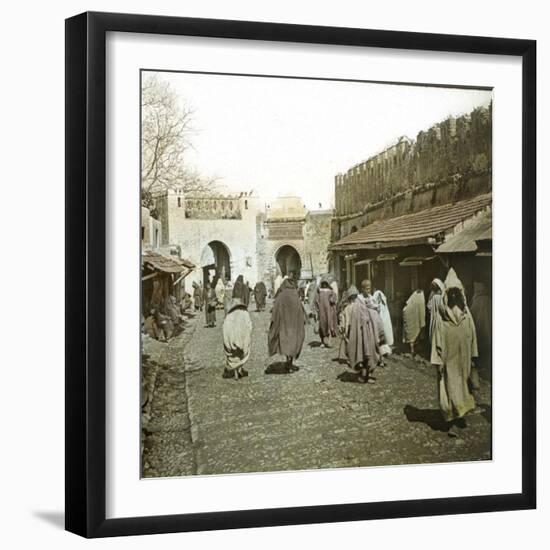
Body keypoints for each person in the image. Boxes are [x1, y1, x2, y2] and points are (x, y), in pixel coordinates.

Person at [431, 268, 479, 437]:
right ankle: (450, 421)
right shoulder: (441, 317)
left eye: (456, 293)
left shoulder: (467, 316)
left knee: (463, 389)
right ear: (446, 295)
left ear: (461, 294)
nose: (453, 296)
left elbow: (472, 337)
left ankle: (459, 415)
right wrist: (438, 362)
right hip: (448, 362)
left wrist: (473, 358)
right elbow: (436, 341)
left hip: (463, 361)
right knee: (449, 389)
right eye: (450, 293)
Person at [268, 277, 306, 373]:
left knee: (286, 343)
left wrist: (274, 322)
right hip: (294, 325)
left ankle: (287, 360)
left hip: (284, 326)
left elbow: (275, 311)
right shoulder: (295, 295)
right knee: (293, 343)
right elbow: (300, 311)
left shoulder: (281, 296)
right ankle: (290, 361)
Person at [346, 286, 380, 383]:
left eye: (370, 288)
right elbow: (355, 318)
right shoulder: (358, 302)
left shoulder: (372, 300)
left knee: (372, 352)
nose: (368, 290)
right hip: (361, 332)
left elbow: (376, 313)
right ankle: (362, 374)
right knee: (362, 353)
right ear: (363, 289)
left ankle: (369, 375)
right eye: (367, 288)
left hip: (371, 331)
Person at [222, 298, 252, 380]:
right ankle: (240, 369)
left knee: (234, 355)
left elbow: (225, 328)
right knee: (241, 354)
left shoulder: (229, 315)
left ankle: (236, 372)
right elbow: (249, 325)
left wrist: (227, 340)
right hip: (242, 337)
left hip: (231, 338)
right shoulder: (244, 313)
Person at [469, 281, 492, 372]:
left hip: (479, 328)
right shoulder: (489, 300)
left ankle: (480, 365)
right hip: (488, 328)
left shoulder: (477, 301)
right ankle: (486, 365)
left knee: (479, 346)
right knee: (487, 345)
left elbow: (472, 314)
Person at [313, 278, 338, 348]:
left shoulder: (331, 291)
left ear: (327, 284)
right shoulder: (319, 291)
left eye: (325, 283)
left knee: (329, 325)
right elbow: (316, 300)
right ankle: (322, 341)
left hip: (328, 311)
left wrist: (332, 299)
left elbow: (334, 299)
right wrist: (316, 309)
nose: (324, 285)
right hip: (321, 312)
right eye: (323, 283)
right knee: (322, 326)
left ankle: (329, 341)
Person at [402, 288, 426, 355]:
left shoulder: (413, 300)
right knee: (414, 334)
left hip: (414, 319)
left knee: (414, 334)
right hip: (413, 319)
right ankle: (413, 349)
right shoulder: (419, 298)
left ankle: (414, 348)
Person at [372, 288, 394, 354]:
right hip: (379, 321)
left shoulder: (383, 307)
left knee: (384, 334)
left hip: (383, 321)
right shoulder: (377, 305)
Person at [427, 278, 445, 344]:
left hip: (435, 316)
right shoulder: (440, 296)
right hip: (439, 316)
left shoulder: (434, 296)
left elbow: (429, 306)